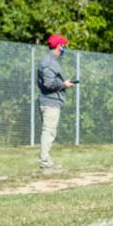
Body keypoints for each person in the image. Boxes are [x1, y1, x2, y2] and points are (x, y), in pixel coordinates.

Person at [37, 34, 76, 170]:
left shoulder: (50, 60)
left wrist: (64, 84)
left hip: (51, 101)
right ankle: (45, 163)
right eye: (63, 45)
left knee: (49, 131)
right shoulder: (49, 62)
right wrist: (64, 85)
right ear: (59, 46)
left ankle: (47, 161)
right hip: (50, 102)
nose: (64, 47)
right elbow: (48, 83)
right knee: (49, 131)